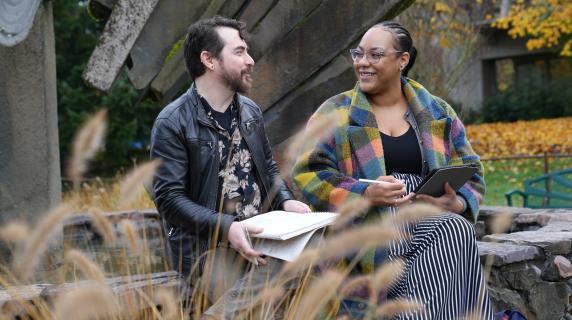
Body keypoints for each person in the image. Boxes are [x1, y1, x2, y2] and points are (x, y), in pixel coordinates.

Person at [292, 21, 493, 319]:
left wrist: (457, 201)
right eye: (358, 54)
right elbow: (308, 173)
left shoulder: (437, 111)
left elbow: (471, 170)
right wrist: (365, 192)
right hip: (367, 230)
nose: (363, 63)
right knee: (454, 231)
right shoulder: (336, 112)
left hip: (426, 220)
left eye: (374, 55)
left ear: (402, 60)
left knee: (455, 227)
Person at [150, 16, 310, 318]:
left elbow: (267, 169)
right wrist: (227, 227)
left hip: (262, 236)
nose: (250, 60)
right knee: (265, 295)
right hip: (208, 248)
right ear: (209, 60)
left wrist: (286, 200)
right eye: (239, 52)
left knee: (312, 248)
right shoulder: (172, 122)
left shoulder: (250, 111)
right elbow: (169, 200)